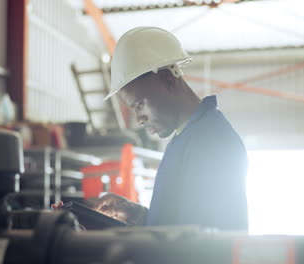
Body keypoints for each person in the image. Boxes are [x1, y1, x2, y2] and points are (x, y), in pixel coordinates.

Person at [53, 27, 248, 231]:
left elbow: (198, 244)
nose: (139, 119)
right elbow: (178, 226)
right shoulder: (184, 138)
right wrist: (135, 213)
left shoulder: (210, 141)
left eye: (139, 104)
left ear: (168, 80)